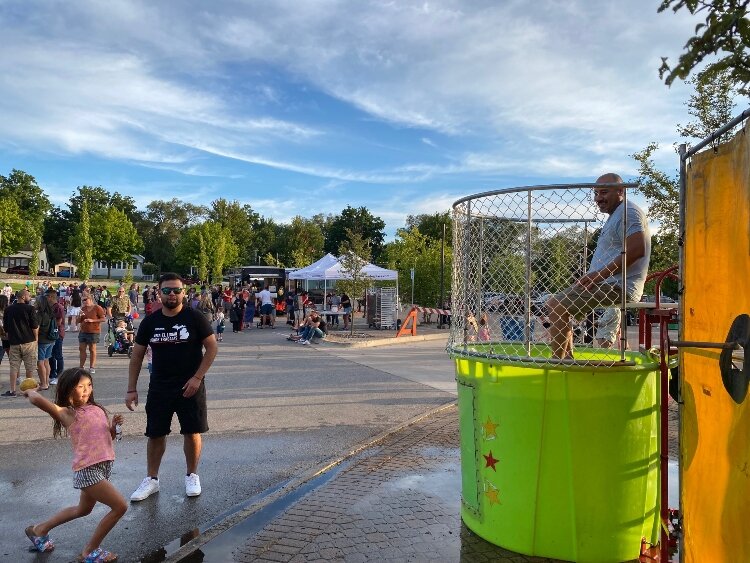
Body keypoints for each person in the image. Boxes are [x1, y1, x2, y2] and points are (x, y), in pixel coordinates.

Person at [126, 273, 217, 501]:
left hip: (190, 386)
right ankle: (152, 480)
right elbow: (136, 356)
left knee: (192, 431)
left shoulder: (195, 318)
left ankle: (192, 475)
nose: (172, 294)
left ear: (183, 293)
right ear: (159, 292)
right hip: (160, 386)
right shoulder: (150, 321)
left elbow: (212, 348)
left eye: (176, 290)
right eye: (167, 290)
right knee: (155, 433)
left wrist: (197, 378)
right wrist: (131, 388)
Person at [21, 368, 127, 562]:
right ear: (69, 390)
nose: (86, 390)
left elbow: (107, 437)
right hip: (88, 470)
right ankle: (90, 551)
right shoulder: (68, 414)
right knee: (120, 507)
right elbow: (38, 401)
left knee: (83, 510)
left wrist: (113, 427)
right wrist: (31, 391)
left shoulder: (97, 409)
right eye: (80, 387)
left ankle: (39, 530)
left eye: (89, 385)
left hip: (102, 467)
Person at [547, 173, 651, 359]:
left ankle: (557, 362)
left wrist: (598, 275)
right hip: (607, 282)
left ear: (621, 191)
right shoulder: (617, 214)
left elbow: (636, 250)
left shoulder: (628, 212)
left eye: (604, 192)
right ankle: (567, 360)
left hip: (619, 285)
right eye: (595, 193)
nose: (598, 198)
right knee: (559, 306)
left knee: (556, 305)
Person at [2, 290, 39, 396]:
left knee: (14, 366)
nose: (30, 297)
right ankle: (30, 389)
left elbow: (6, 326)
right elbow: (34, 326)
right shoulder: (30, 309)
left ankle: (12, 390)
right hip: (28, 341)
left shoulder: (8, 309)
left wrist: (10, 335)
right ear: (23, 297)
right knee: (30, 367)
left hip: (14, 342)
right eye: (28, 295)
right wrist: (36, 339)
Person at [35, 288, 59, 388]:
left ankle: (44, 383)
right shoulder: (51, 312)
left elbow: (36, 328)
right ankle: (46, 382)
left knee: (40, 362)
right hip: (51, 339)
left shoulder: (40, 314)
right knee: (46, 361)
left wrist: (35, 340)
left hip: (42, 340)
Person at [78, 294, 106, 374]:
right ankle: (81, 366)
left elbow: (103, 319)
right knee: (81, 348)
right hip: (83, 331)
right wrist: (79, 316)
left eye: (85, 300)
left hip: (94, 331)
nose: (84, 302)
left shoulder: (97, 308)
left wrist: (92, 320)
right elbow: (78, 321)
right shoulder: (83, 308)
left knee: (92, 349)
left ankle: (92, 366)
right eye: (82, 300)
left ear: (90, 299)